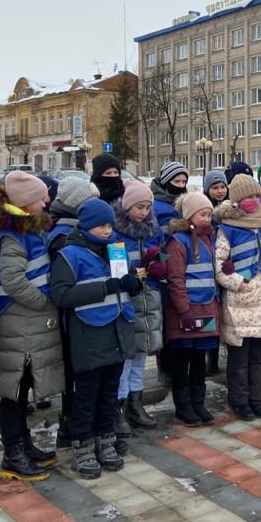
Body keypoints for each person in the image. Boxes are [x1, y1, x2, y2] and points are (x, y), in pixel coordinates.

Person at [50, 199, 139, 478]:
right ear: (87, 226)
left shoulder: (116, 249)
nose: (107, 230)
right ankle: (83, 447)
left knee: (110, 392)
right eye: (102, 225)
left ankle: (106, 439)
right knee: (87, 394)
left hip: (118, 328)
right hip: (89, 333)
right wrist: (104, 288)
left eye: (110, 225)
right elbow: (61, 295)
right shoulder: (70, 254)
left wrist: (134, 284)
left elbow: (129, 281)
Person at [0, 171, 63, 482]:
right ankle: (12, 454)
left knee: (26, 384)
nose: (46, 203)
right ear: (24, 204)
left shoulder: (29, 230)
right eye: (40, 199)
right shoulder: (12, 237)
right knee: (15, 389)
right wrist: (44, 302)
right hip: (20, 319)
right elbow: (15, 281)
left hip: (29, 321)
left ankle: (24, 444)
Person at [214, 174, 261, 420]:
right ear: (237, 199)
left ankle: (256, 398)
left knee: (258, 356)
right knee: (239, 358)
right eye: (248, 197)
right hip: (240, 300)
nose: (254, 201)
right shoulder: (227, 227)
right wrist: (237, 283)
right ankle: (239, 400)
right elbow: (220, 262)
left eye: (257, 196)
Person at [45, 176, 100, 449]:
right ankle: (72, 428)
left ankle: (83, 427)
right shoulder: (63, 235)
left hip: (89, 314)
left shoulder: (83, 229)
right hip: (73, 316)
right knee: (74, 375)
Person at [112, 179, 165, 433]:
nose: (144, 212)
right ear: (127, 206)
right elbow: (114, 267)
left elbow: (162, 255)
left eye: (147, 207)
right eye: (139, 207)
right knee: (126, 356)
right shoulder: (116, 233)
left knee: (141, 355)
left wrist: (157, 266)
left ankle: (136, 402)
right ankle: (119, 406)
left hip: (149, 298)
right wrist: (132, 272)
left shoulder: (154, 230)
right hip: (127, 300)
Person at [164, 192, 222, 426]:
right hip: (186, 312)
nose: (207, 218)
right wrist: (183, 308)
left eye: (209, 214)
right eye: (202, 214)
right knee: (183, 359)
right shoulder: (178, 241)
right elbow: (175, 279)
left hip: (207, 308)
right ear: (189, 216)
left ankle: (199, 403)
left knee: (200, 358)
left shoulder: (209, 238)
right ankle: (183, 406)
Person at [202, 169, 228, 376]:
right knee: (211, 313)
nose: (219, 191)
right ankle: (210, 357)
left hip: (227, 265)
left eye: (222, 187)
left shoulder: (230, 209)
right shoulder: (203, 210)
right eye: (215, 187)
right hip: (209, 265)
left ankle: (221, 352)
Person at [150, 161, 189, 237]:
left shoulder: (189, 202)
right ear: (166, 182)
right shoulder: (153, 205)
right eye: (177, 181)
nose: (181, 185)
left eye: (184, 182)